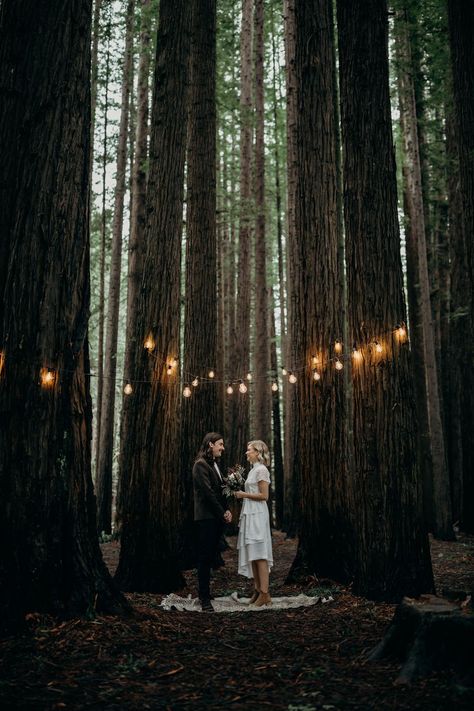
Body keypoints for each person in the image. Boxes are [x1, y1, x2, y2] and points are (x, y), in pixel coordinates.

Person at [193, 432, 232, 612]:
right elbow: (208, 494)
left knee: (211, 557)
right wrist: (222, 512)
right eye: (220, 444)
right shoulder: (200, 465)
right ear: (210, 445)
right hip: (206, 517)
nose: (222, 448)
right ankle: (203, 598)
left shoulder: (215, 464)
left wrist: (228, 509)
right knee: (204, 557)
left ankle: (207, 593)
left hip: (216, 517)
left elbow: (221, 489)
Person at [235, 440, 273, 607]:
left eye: (249, 450)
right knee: (253, 553)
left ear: (258, 452)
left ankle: (265, 593)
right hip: (249, 513)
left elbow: (264, 496)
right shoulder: (253, 470)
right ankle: (258, 590)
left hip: (257, 514)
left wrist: (243, 494)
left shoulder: (262, 470)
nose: (246, 452)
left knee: (260, 554)